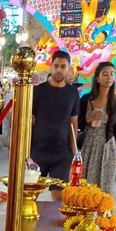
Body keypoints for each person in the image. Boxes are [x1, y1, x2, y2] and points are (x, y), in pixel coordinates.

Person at [30, 49, 80, 200]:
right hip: (37, 151)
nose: (59, 69)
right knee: (30, 195)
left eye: (63, 66)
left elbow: (73, 122)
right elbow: (28, 119)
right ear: (51, 67)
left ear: (68, 69)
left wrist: (74, 153)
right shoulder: (38, 91)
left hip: (62, 153)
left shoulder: (73, 93)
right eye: (56, 66)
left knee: (58, 196)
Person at [79, 61, 116, 195]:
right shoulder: (86, 99)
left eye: (111, 74)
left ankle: (104, 209)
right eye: (105, 74)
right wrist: (88, 118)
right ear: (97, 78)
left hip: (107, 145)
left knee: (105, 187)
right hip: (89, 144)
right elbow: (77, 123)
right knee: (87, 186)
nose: (109, 77)